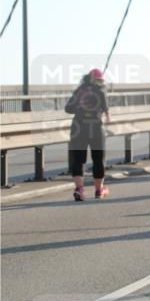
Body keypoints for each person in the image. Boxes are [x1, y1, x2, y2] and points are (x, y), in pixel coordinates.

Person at [65, 68, 110, 201]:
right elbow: (107, 110)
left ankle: (79, 189)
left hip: (78, 126)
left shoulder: (79, 90)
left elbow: (68, 108)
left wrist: (79, 107)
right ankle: (99, 190)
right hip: (95, 127)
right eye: (101, 80)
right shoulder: (101, 91)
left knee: (78, 159)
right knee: (98, 159)